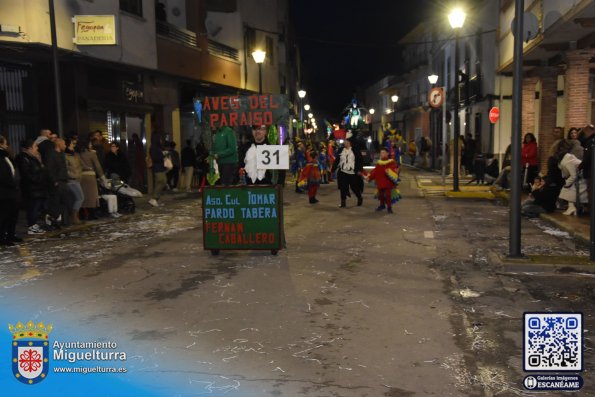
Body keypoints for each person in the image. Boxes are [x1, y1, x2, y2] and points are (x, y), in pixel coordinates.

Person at [15, 139, 47, 235]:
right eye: (35, 146)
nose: (37, 148)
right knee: (33, 208)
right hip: (31, 188)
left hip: (36, 188)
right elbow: (27, 175)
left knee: (36, 207)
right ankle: (31, 226)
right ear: (29, 148)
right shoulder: (23, 159)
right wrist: (38, 179)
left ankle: (33, 224)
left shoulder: (32, 157)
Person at [44, 138, 75, 226]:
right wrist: (54, 181)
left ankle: (63, 221)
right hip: (57, 182)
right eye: (64, 144)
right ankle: (52, 219)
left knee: (66, 201)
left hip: (63, 181)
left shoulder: (61, 154)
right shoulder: (51, 155)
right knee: (56, 203)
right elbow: (49, 169)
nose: (65, 146)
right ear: (59, 145)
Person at [0, 135, 22, 246]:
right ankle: (3, 237)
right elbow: (3, 176)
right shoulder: (2, 158)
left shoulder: (7, 157)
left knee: (13, 215)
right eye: (5, 143)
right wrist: (12, 184)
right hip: (5, 192)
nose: (7, 145)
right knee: (5, 216)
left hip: (13, 190)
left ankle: (11, 235)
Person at [79, 133, 106, 219]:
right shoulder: (92, 154)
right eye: (90, 144)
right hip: (90, 176)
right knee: (92, 196)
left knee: (83, 196)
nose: (91, 145)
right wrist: (102, 177)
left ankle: (82, 214)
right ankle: (91, 214)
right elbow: (98, 166)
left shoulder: (78, 153)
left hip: (81, 176)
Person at [556, 139, 586, 216]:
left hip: (582, 178)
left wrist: (566, 184)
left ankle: (572, 208)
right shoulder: (568, 157)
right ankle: (572, 207)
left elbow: (573, 175)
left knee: (566, 189)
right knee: (568, 189)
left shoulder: (567, 158)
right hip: (581, 176)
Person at [366, 147, 399, 214]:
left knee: (388, 195)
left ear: (387, 153)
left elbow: (394, 171)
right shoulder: (379, 163)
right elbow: (375, 171)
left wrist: (389, 171)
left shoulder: (391, 162)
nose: (382, 154)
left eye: (383, 152)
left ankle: (389, 207)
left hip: (387, 182)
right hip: (380, 181)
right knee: (381, 195)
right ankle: (382, 205)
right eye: (381, 153)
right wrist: (369, 177)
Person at [335, 133, 363, 208]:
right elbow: (337, 160)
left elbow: (360, 160)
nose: (345, 143)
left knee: (354, 187)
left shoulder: (355, 150)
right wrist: (333, 169)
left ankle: (359, 197)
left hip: (352, 172)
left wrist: (359, 169)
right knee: (343, 187)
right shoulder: (341, 150)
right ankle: (343, 202)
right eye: (345, 141)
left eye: (347, 141)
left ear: (350, 142)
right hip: (343, 172)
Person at [64, 137, 84, 225]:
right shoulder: (65, 156)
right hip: (71, 180)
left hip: (77, 179)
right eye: (73, 144)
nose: (74, 146)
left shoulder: (75, 154)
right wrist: (72, 175)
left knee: (76, 198)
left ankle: (74, 217)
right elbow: (65, 169)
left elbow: (81, 165)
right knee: (80, 198)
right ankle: (74, 217)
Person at [149, 134, 167, 207]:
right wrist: (163, 155)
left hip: (159, 167)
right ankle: (154, 198)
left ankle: (156, 200)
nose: (161, 140)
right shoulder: (153, 147)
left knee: (158, 183)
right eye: (159, 139)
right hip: (157, 168)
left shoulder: (156, 147)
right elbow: (155, 158)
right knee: (162, 181)